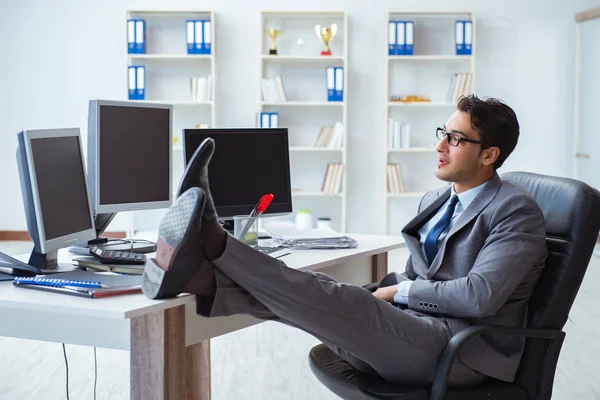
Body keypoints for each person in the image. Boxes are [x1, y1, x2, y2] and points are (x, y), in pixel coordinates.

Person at [141, 94, 548, 387]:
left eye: (456, 139)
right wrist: (390, 293)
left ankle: (214, 243)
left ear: (489, 155)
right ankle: (201, 278)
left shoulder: (515, 211)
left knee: (337, 298)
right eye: (444, 132)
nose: (440, 145)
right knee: (317, 295)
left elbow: (480, 298)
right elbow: (418, 274)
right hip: (414, 334)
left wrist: (399, 292)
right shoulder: (438, 200)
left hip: (460, 353)